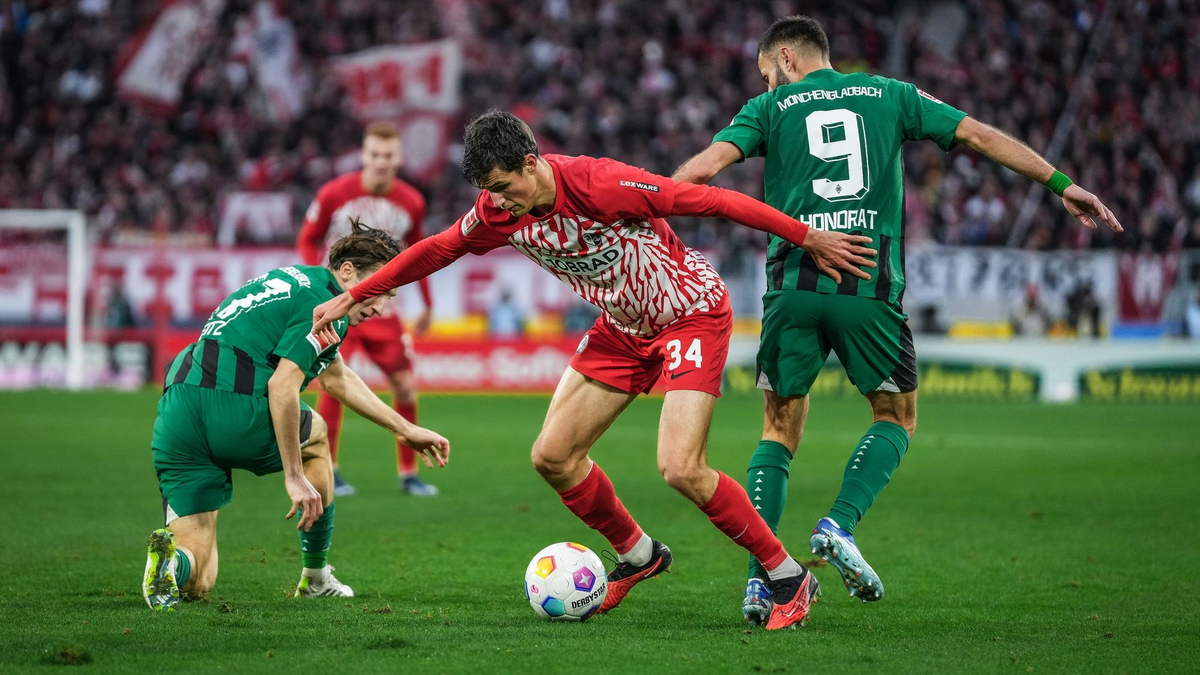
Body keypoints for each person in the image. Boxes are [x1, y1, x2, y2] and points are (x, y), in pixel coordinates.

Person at [312, 110, 876, 629]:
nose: (499, 204)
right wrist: (354, 295)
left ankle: (787, 575)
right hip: (623, 329)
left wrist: (807, 237)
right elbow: (436, 249)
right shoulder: (496, 213)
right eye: (489, 194)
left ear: (531, 164)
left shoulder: (600, 183)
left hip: (689, 314)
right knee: (552, 457)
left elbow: (711, 202)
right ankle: (639, 556)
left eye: (505, 188)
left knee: (680, 468)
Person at [672, 15, 1123, 622]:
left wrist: (648, 208)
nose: (770, 85)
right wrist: (1060, 183)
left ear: (785, 58)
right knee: (897, 416)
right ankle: (839, 523)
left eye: (766, 75)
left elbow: (700, 173)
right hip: (867, 282)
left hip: (792, 283)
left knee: (777, 430)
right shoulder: (891, 94)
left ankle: (762, 580)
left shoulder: (768, 109)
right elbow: (981, 136)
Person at [142, 223, 451, 611]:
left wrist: (404, 429)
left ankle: (170, 564)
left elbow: (336, 376)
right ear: (349, 272)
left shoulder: (295, 280)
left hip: (179, 411)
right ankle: (317, 578)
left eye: (390, 297)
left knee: (199, 577)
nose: (379, 308)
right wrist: (294, 475)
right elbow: (283, 387)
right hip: (234, 405)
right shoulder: (324, 305)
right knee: (317, 436)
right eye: (381, 290)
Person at [298, 122, 438, 497]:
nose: (380, 162)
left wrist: (426, 302)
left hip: (381, 309)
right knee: (334, 382)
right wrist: (319, 286)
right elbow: (308, 238)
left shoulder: (412, 202)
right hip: (339, 304)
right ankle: (330, 466)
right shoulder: (334, 193)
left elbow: (418, 253)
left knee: (405, 386)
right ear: (363, 155)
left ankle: (408, 473)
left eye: (387, 155)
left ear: (398, 158)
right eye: (374, 155)